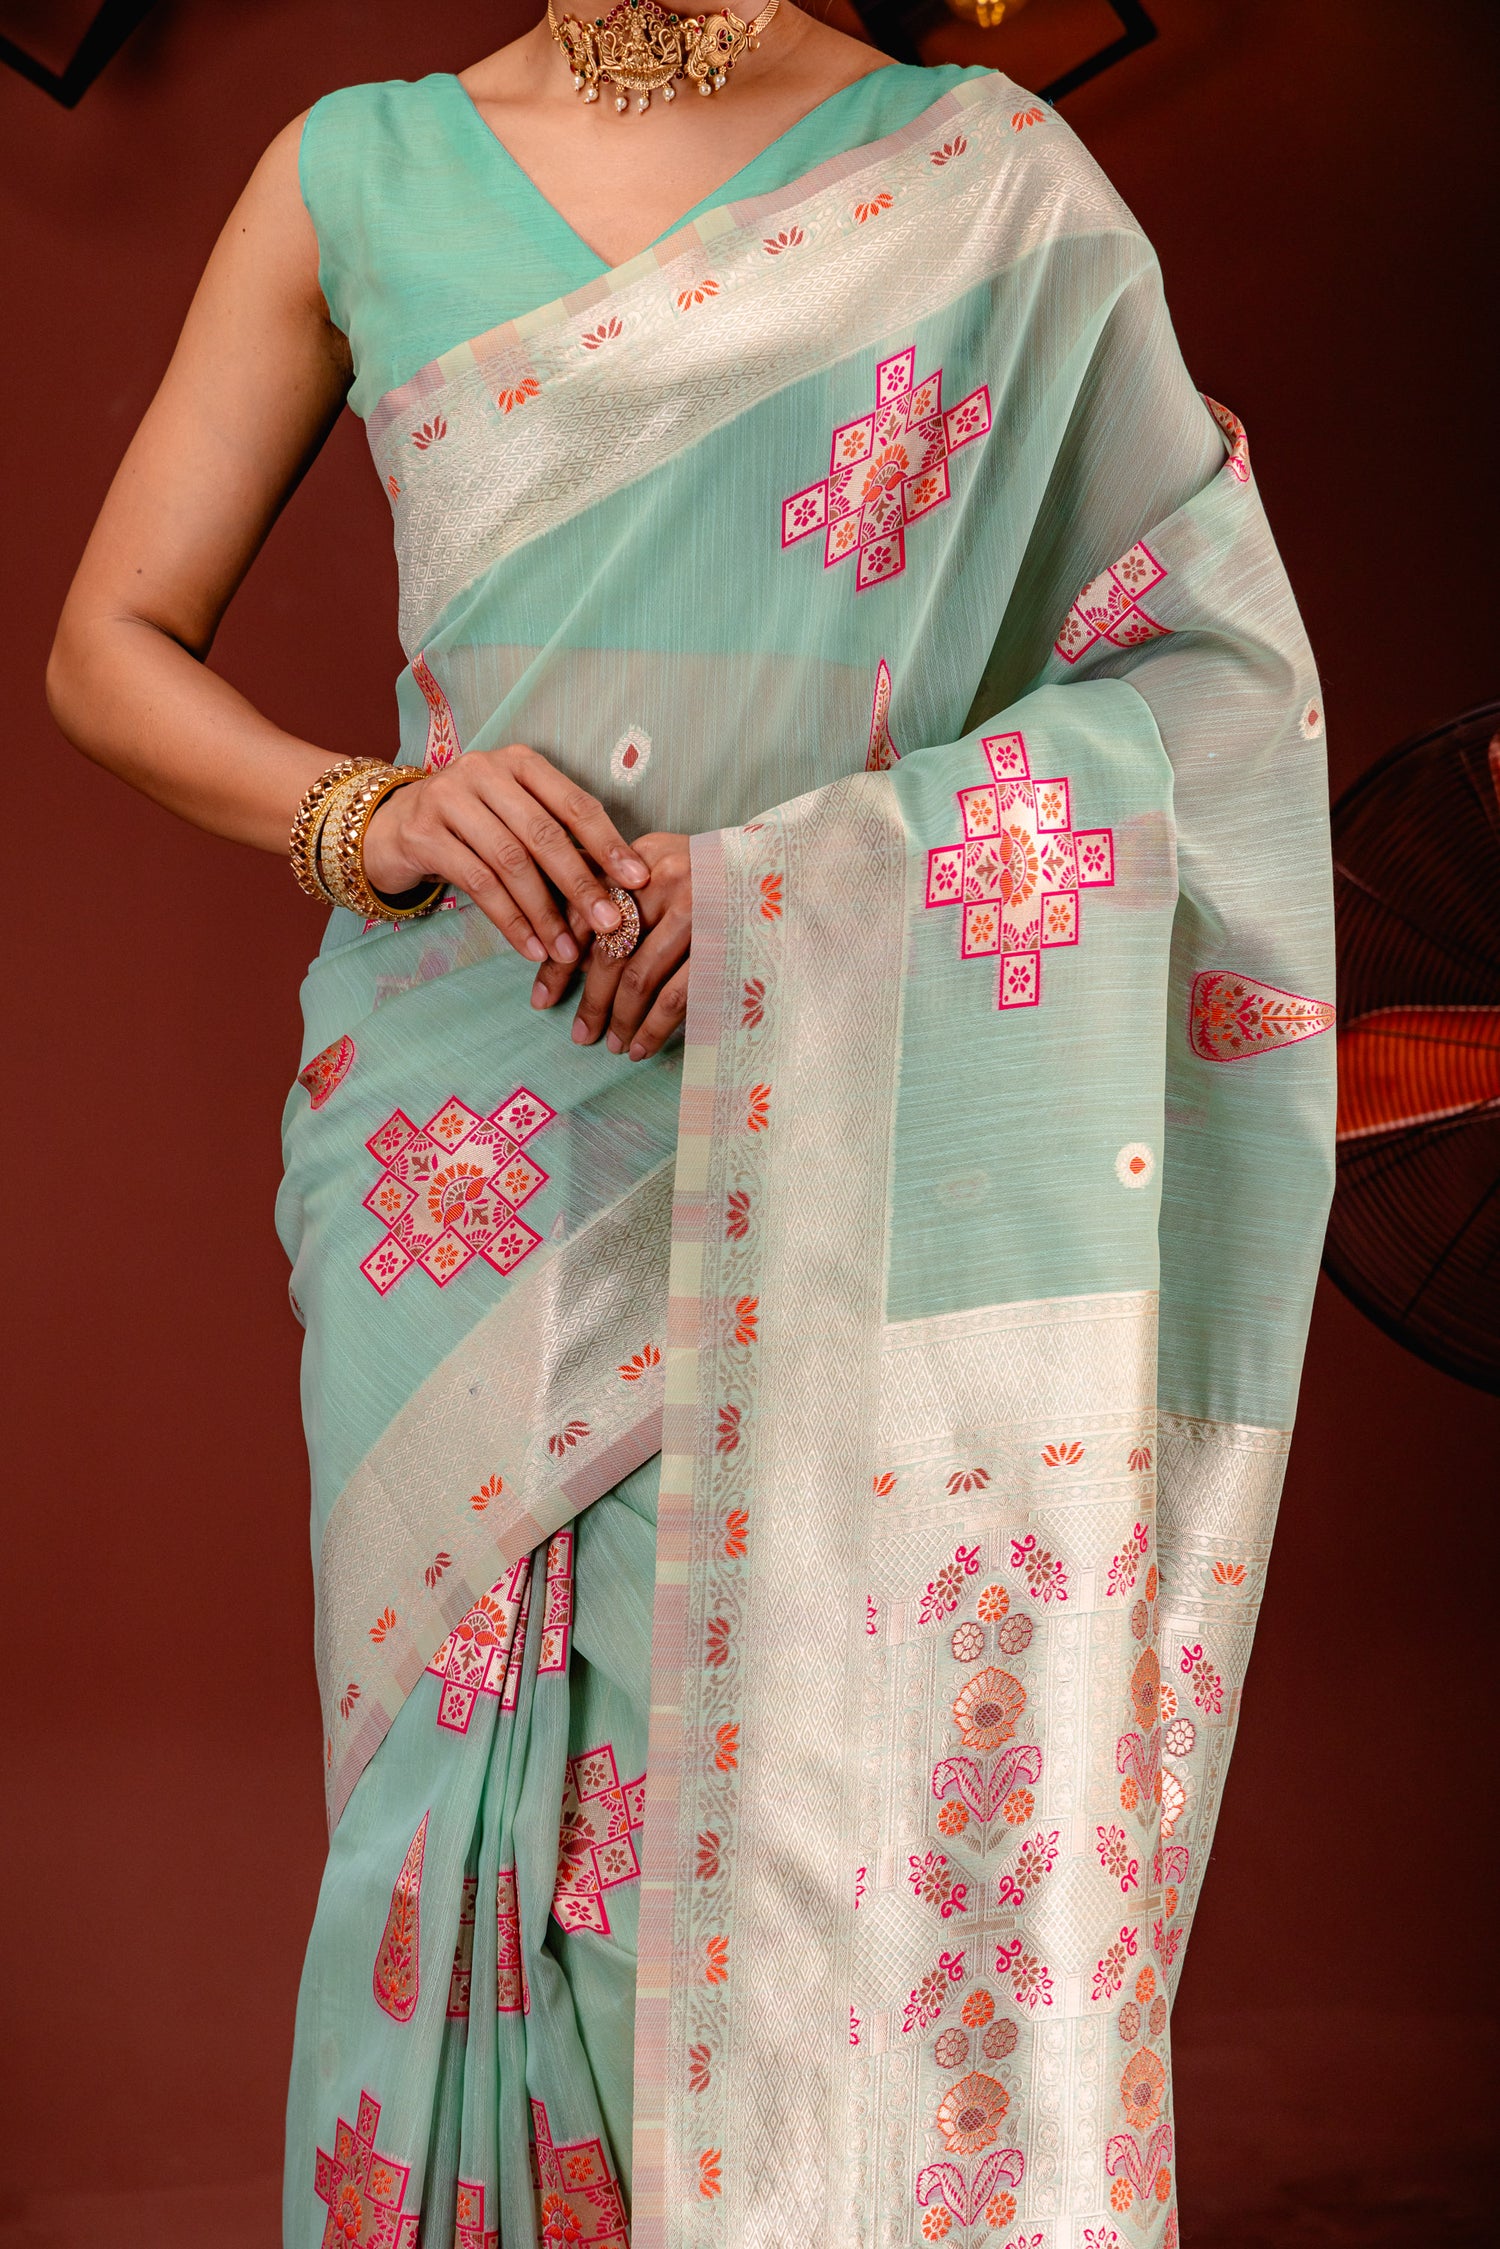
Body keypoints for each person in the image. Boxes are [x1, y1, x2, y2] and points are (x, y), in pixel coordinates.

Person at [48, 7, 1337, 2244]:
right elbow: (107, 642)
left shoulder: (983, 176)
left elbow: (1204, 692)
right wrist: (376, 814)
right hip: (462, 1140)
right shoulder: (354, 171)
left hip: (845, 1111)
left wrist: (796, 900)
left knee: (793, 1837)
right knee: (463, 1836)